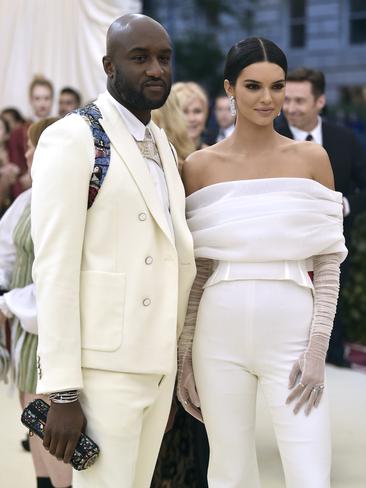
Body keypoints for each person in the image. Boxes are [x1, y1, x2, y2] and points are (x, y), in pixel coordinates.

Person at [31, 13, 195, 488]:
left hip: (155, 364)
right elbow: (54, 268)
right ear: (109, 65)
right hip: (101, 372)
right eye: (139, 58)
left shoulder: (162, 143)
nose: (155, 70)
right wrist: (61, 391)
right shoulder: (73, 136)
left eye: (164, 58)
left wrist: (171, 368)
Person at [178, 37, 347, 488]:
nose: (268, 98)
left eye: (278, 86)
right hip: (217, 332)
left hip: (292, 327)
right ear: (231, 89)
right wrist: (185, 358)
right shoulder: (198, 166)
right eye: (254, 86)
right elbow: (199, 271)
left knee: (310, 470)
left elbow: (329, 261)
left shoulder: (312, 159)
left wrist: (317, 348)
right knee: (229, 473)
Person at [276, 67, 366, 367]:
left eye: (299, 101)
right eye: (286, 99)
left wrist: (346, 205)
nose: (290, 108)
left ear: (320, 101)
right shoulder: (269, 136)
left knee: (332, 319)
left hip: (336, 248)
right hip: (283, 252)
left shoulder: (345, 139)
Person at [0, 117, 72, 488]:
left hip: (48, 329)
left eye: (33, 145)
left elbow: (54, 280)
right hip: (25, 331)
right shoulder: (28, 199)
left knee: (51, 433)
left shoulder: (64, 202)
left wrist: (9, 304)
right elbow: (5, 252)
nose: (26, 152)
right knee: (34, 428)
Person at [172, 82, 209, 150]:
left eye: (197, 111)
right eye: (185, 112)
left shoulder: (214, 156)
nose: (192, 119)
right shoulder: (162, 155)